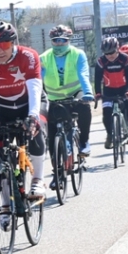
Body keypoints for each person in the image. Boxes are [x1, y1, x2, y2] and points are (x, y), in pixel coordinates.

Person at [0, 21, 48, 200]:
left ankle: (38, 179)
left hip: (30, 103)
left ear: (13, 43)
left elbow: (35, 87)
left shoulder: (28, 56)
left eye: (4, 45)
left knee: (35, 130)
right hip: (3, 107)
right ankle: (5, 203)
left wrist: (33, 116)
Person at [40, 25, 94, 159]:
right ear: (51, 41)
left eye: (63, 40)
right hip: (53, 97)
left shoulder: (78, 54)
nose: (59, 43)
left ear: (69, 40)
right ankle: (56, 167)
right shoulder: (43, 58)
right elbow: (38, 79)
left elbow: (83, 74)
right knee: (52, 134)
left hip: (75, 92)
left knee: (84, 107)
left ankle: (84, 141)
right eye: (56, 40)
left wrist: (88, 92)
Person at [95, 37, 128, 141]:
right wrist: (98, 93)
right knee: (106, 112)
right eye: (106, 53)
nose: (109, 55)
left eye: (112, 52)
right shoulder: (101, 61)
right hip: (109, 90)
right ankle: (109, 135)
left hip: (124, 88)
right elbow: (97, 79)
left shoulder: (125, 59)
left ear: (117, 49)